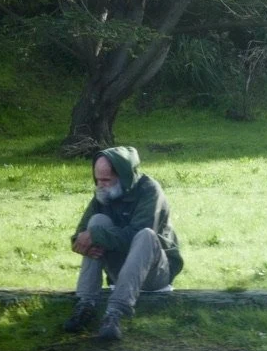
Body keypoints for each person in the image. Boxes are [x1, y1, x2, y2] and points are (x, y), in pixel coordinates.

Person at [64, 146, 183, 340]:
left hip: (154, 272)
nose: (100, 185)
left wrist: (96, 237)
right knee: (97, 222)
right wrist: (81, 242)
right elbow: (81, 235)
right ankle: (85, 306)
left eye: (106, 180)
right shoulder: (102, 194)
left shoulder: (150, 190)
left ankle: (115, 314)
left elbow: (135, 236)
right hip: (120, 270)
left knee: (146, 235)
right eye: (97, 179)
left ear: (123, 177)